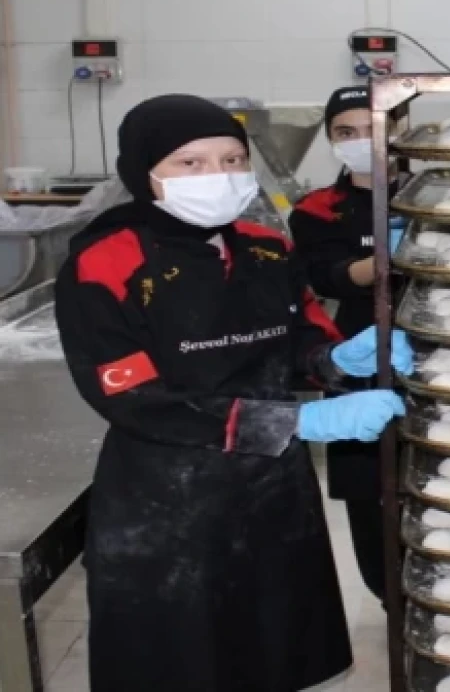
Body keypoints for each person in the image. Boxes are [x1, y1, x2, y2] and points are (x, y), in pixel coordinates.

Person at [54, 93, 415, 692]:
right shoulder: (106, 262)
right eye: (190, 163)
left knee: (273, 650)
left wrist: (333, 359)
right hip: (169, 502)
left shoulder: (264, 247)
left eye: (232, 159)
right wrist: (298, 424)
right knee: (184, 665)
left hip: (273, 495)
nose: (217, 176)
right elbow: (134, 400)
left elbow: (297, 338)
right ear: (143, 172)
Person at [288, 85, 406, 603]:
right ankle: (388, 598)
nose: (361, 140)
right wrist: (384, 262)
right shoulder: (317, 209)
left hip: (436, 348)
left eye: (374, 128)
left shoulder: (436, 193)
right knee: (368, 489)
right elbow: (322, 276)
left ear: (400, 129)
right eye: (346, 132)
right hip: (356, 352)